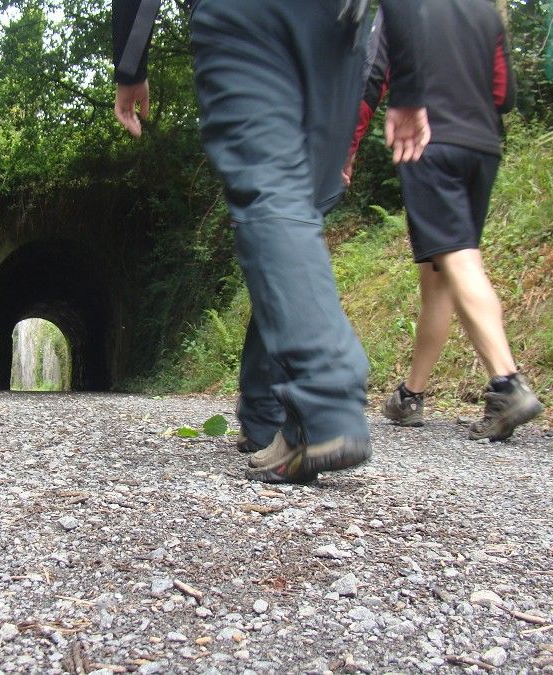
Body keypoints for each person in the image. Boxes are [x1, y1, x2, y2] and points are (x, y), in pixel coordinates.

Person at [113, 0, 430, 482]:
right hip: (341, 29)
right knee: (294, 215)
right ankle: (280, 419)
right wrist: (408, 77)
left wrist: (130, 60)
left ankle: (323, 397)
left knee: (274, 200)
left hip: (248, 16)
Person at [346, 0, 543, 440]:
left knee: (459, 260)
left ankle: (507, 381)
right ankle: (410, 395)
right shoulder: (486, 12)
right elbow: (503, 93)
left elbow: (372, 77)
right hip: (483, 147)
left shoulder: (403, 9)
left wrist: (348, 147)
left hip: (428, 144)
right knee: (440, 273)